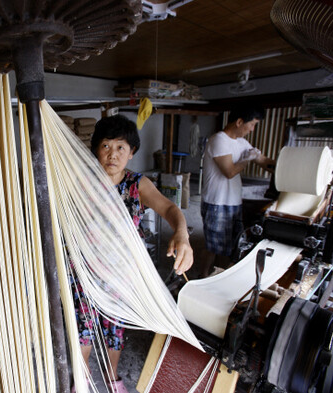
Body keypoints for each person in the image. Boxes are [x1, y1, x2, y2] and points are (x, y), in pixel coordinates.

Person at [71, 114, 193, 393]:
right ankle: (81, 380)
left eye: (120, 147)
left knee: (115, 328)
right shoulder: (81, 182)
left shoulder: (137, 185)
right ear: (96, 150)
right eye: (105, 146)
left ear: (131, 152)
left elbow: (171, 210)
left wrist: (182, 234)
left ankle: (112, 377)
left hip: (121, 273)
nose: (112, 154)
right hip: (83, 271)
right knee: (82, 326)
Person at [200, 105, 275, 276]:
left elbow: (263, 161)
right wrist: (247, 159)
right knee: (213, 246)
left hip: (233, 202)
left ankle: (219, 275)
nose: (252, 129)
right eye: (252, 124)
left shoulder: (241, 143)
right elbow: (229, 171)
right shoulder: (219, 140)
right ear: (240, 122)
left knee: (229, 246)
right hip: (216, 203)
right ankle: (202, 277)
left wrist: (282, 168)